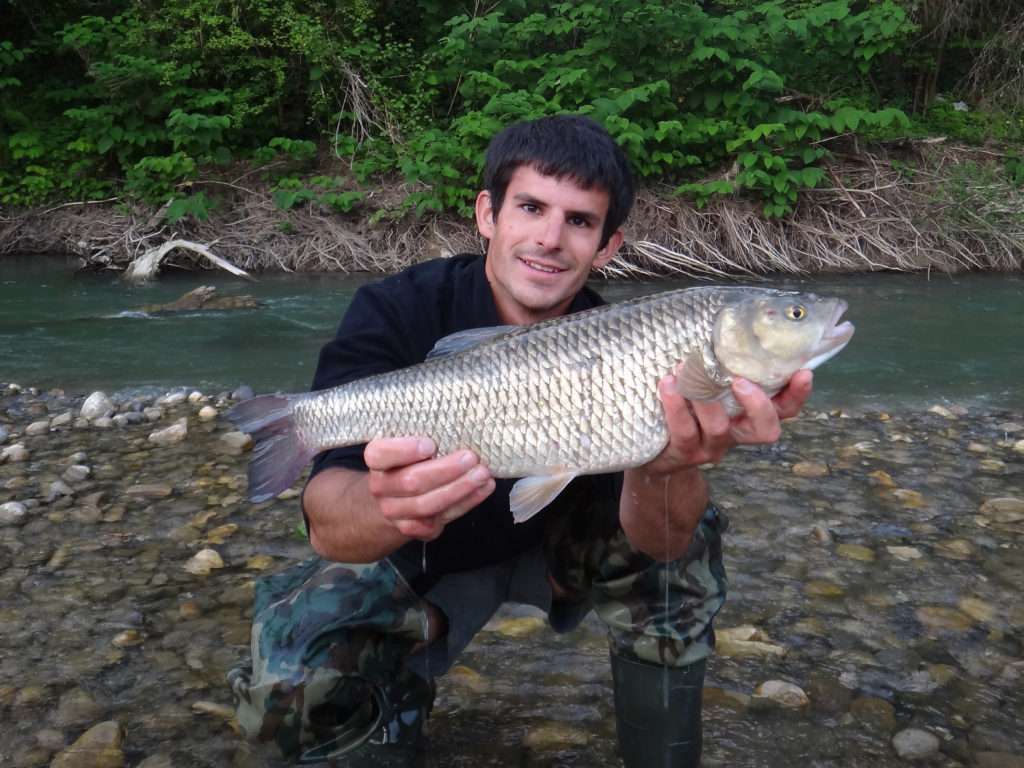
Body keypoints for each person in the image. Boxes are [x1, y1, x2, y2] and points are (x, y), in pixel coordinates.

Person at [228, 115, 812, 767]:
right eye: (531, 208)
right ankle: (387, 710)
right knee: (288, 678)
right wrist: (390, 506)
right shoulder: (397, 308)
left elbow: (663, 544)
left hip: (558, 547)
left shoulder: (626, 337)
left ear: (608, 245)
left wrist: (667, 466)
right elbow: (327, 527)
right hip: (428, 557)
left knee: (692, 535)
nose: (550, 239)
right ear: (488, 214)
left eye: (579, 221)